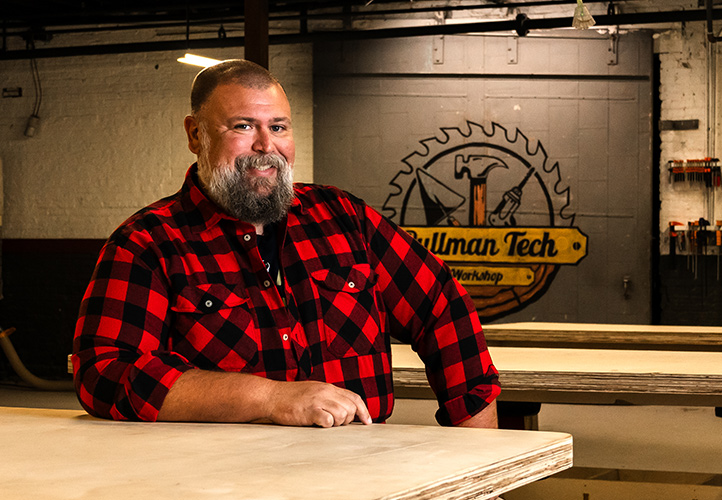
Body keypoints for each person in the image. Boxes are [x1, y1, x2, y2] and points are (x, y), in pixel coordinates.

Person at [72, 59, 500, 428]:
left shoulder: (345, 217)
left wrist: (481, 458)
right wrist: (270, 398)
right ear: (195, 134)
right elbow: (105, 373)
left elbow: (442, 309)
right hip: (218, 482)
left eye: (278, 127)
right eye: (243, 126)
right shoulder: (147, 242)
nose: (266, 146)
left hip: (364, 468)